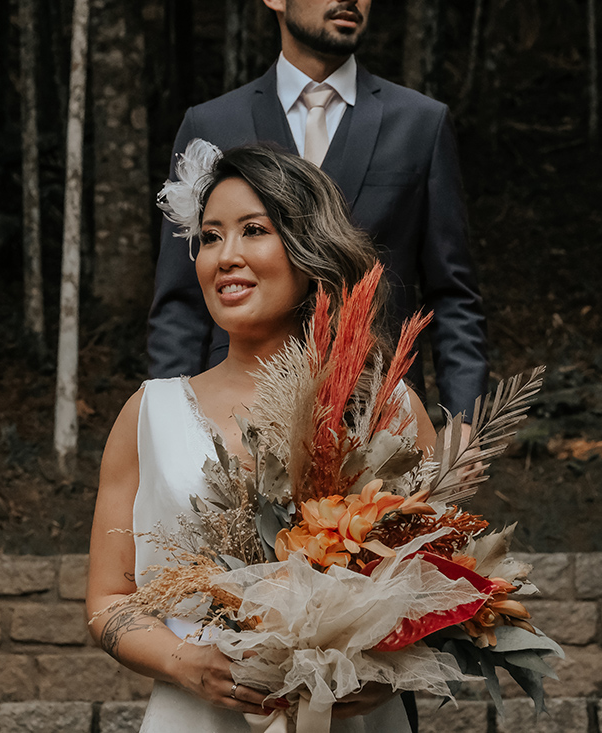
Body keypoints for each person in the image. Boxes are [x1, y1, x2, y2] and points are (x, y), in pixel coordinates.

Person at [87, 145, 436, 732]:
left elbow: (445, 583)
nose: (226, 257)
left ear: (307, 247)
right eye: (210, 236)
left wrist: (384, 670)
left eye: (253, 231)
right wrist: (185, 662)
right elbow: (107, 602)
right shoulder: (149, 413)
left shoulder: (386, 407)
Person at [148, 0, 489, 429]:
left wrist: (465, 420)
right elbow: (180, 299)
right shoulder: (212, 122)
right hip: (234, 415)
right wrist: (169, 423)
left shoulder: (421, 123)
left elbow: (452, 292)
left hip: (379, 417)